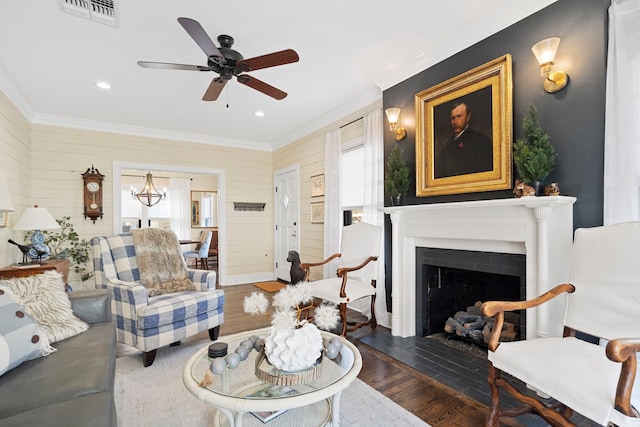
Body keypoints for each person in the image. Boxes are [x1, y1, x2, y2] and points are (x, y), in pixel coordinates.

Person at [434, 101, 493, 178]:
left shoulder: (480, 140)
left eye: (459, 116)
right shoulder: (447, 145)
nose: (455, 122)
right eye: (453, 118)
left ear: (468, 117)